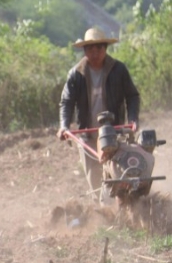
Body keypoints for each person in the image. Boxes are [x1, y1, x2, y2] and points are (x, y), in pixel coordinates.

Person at [57, 27, 140, 205]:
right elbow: (67, 102)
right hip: (88, 133)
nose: (95, 53)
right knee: (95, 178)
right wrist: (64, 125)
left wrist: (133, 119)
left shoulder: (118, 70)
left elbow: (132, 96)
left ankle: (123, 206)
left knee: (119, 172)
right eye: (91, 49)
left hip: (114, 132)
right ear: (84, 51)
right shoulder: (76, 74)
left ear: (105, 49)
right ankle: (103, 213)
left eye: (99, 49)